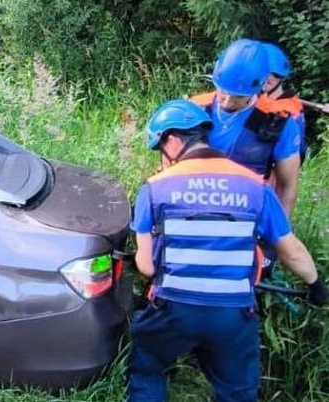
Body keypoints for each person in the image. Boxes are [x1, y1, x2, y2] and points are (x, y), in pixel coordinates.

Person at [128, 99, 328, 402]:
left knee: (148, 368)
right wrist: (316, 286)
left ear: (171, 140)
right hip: (233, 313)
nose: (162, 158)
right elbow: (291, 251)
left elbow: (146, 266)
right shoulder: (254, 185)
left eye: (160, 149)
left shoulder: (155, 187)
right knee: (238, 392)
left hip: (173, 309)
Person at [190, 39, 301, 217]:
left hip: (246, 209)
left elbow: (287, 185)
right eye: (223, 92)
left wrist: (279, 231)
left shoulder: (278, 122)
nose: (226, 101)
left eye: (237, 97)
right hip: (193, 200)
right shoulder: (193, 110)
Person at [261, 42, 307, 159]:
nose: (265, 78)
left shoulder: (289, 109)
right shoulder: (260, 100)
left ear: (280, 76)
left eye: (271, 74)